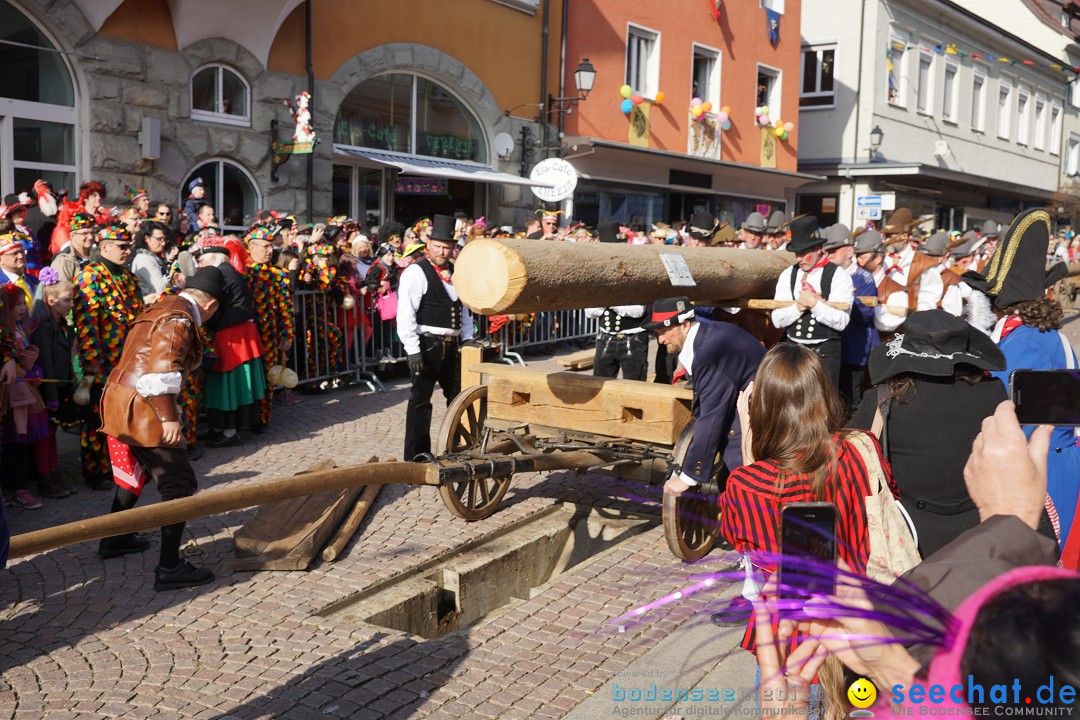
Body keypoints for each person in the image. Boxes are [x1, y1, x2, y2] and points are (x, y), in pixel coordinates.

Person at [717, 343, 897, 680]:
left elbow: (749, 549)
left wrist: (746, 442)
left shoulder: (747, 482)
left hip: (791, 641)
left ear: (762, 407)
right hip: (860, 629)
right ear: (823, 395)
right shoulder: (861, 448)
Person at [97, 266, 225, 590]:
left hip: (120, 398)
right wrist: (169, 419)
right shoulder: (180, 317)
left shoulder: (161, 306)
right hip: (145, 406)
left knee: (137, 470)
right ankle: (169, 568)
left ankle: (116, 538)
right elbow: (160, 374)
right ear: (212, 305)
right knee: (178, 482)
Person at [962, 208, 1079, 557]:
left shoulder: (1023, 343)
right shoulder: (1034, 334)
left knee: (1038, 566)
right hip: (1051, 458)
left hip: (1041, 467)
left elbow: (1000, 408)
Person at [847, 310, 1010, 556]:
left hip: (911, 538)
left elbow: (847, 455)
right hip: (983, 531)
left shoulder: (883, 400)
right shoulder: (994, 392)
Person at [649, 297, 766, 498]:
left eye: (664, 331)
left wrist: (688, 478)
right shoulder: (706, 335)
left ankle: (746, 513)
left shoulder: (708, 353)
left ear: (685, 325)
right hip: (749, 397)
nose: (660, 340)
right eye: (658, 333)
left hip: (761, 406)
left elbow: (712, 416)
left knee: (737, 474)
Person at [73, 225, 145, 490]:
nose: (127, 251)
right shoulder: (90, 276)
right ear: (104, 247)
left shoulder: (128, 276)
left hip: (129, 359)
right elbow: (86, 321)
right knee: (96, 418)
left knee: (122, 414)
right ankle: (94, 470)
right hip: (101, 362)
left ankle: (121, 464)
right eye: (121, 246)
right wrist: (91, 360)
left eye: (129, 246)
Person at [398, 214, 474, 460]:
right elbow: (405, 313)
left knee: (459, 397)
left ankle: (460, 446)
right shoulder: (416, 272)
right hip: (427, 343)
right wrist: (413, 349)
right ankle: (417, 454)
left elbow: (465, 309)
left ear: (453, 248)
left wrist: (468, 337)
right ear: (428, 245)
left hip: (452, 345)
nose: (442, 251)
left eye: (447, 247)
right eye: (438, 246)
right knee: (421, 400)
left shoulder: (456, 271)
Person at [770, 216, 853, 388]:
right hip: (793, 352)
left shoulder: (839, 275)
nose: (799, 259)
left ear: (818, 249)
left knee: (824, 404)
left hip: (825, 353)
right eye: (797, 253)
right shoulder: (788, 275)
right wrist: (800, 306)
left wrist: (815, 305)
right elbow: (777, 320)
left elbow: (842, 322)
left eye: (803, 253)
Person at [29, 268, 77, 499]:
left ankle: (53, 471)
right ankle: (44, 477)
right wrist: (51, 396)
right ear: (51, 300)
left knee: (52, 433)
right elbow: (46, 361)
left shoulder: (60, 324)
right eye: (67, 300)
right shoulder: (44, 328)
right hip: (49, 389)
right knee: (45, 435)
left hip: (60, 386)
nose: (71, 304)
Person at [822, 224, 878, 411]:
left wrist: (847, 298)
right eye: (827, 251)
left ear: (849, 250)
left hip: (853, 350)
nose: (829, 255)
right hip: (829, 348)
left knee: (851, 402)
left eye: (834, 250)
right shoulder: (824, 275)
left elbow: (866, 314)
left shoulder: (864, 278)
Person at [244, 226, 294, 431]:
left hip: (270, 336)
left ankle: (261, 419)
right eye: (265, 247)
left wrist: (287, 335)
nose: (269, 251)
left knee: (268, 376)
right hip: (245, 337)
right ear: (251, 247)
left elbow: (286, 309)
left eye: (271, 247)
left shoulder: (278, 275)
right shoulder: (242, 273)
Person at [586, 221, 648, 381]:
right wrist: (611, 302)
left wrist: (608, 301)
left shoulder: (634, 271)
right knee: (599, 389)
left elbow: (638, 310)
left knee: (635, 392)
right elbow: (590, 312)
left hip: (632, 341)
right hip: (605, 340)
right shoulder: (597, 275)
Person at [131, 221, 175, 302]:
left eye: (164, 239)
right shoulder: (144, 259)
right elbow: (160, 288)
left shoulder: (153, 256)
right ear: (146, 238)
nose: (163, 243)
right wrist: (173, 265)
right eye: (159, 239)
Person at [50, 213, 97, 284]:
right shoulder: (64, 261)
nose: (90, 237)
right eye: (84, 234)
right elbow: (60, 292)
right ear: (72, 236)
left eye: (92, 233)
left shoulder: (97, 255)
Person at [0, 229, 39, 309]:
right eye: (14, 254)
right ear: (1, 260)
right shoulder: (1, 284)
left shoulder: (34, 280)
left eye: (22, 252)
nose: (21, 256)